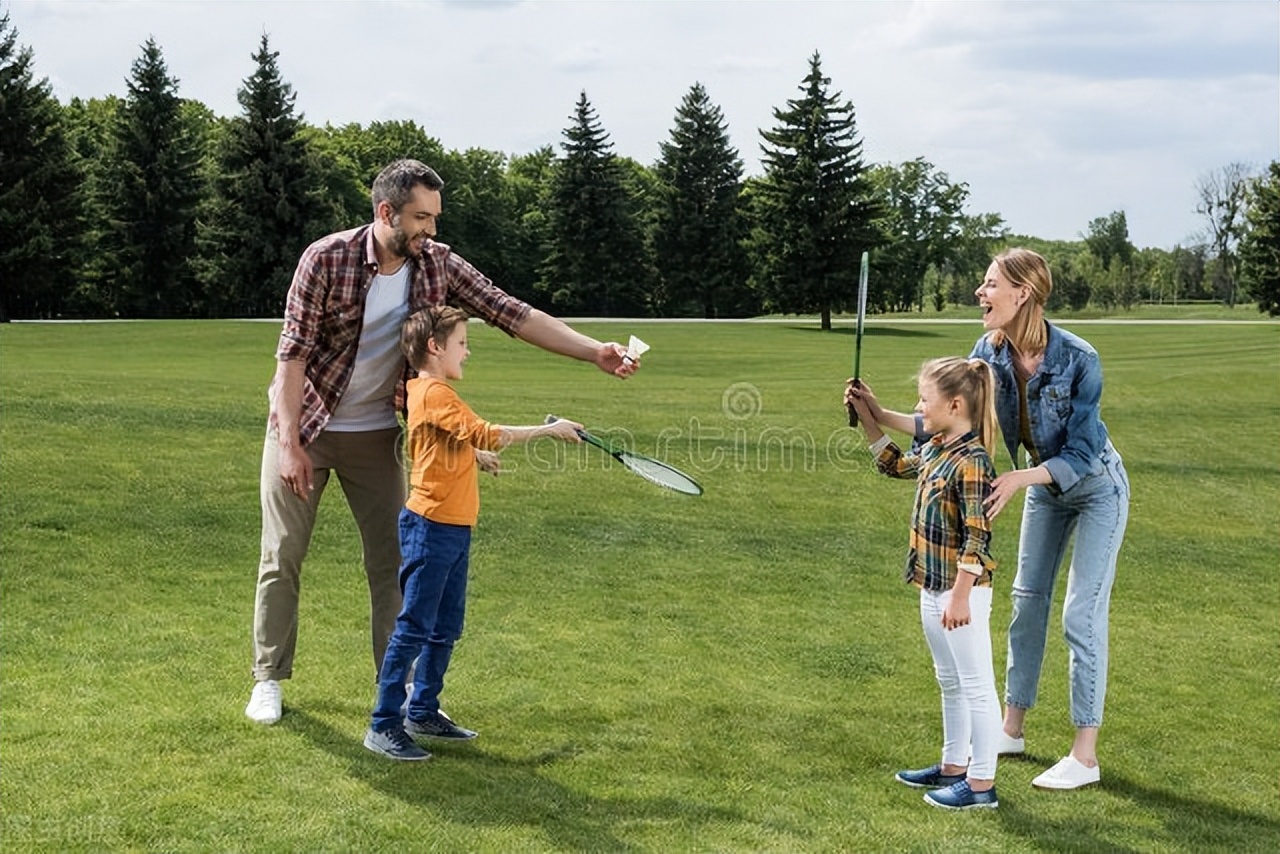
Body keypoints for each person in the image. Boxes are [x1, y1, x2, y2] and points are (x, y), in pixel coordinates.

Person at [246, 159, 639, 726]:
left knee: (393, 565)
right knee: (282, 554)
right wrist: (289, 444)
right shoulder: (325, 258)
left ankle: (397, 692)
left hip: (378, 433)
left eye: (434, 217)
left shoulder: (437, 263)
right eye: (421, 218)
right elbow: (292, 358)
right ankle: (268, 679)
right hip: (302, 425)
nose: (430, 230)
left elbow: (511, 312)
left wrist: (592, 351)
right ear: (387, 213)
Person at [852, 248, 1130, 790]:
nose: (980, 293)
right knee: (1026, 604)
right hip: (1037, 488)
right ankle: (1012, 729)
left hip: (1096, 487)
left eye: (989, 284)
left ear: (1022, 293)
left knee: (1081, 613)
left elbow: (1082, 451)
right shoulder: (988, 352)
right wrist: (875, 412)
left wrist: (1021, 479)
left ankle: (1085, 755)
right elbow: (946, 423)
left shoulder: (1079, 358)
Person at [363, 306, 583, 760]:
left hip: (455, 527)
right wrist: (548, 430)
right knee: (414, 628)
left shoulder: (428, 394)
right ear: (434, 347)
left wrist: (471, 457)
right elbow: (486, 432)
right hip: (430, 527)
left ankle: (422, 710)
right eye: (461, 344)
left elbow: (443, 439)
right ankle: (384, 724)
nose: (467, 351)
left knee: (446, 626)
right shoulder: (435, 392)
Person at [846, 357, 1002, 811]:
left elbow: (978, 535)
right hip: (931, 585)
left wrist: (960, 595)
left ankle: (981, 785)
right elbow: (894, 465)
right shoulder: (936, 446)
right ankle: (954, 766)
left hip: (962, 594)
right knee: (949, 681)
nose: (917, 407)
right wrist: (868, 420)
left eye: (923, 399)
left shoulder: (972, 462)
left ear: (954, 405)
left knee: (976, 686)